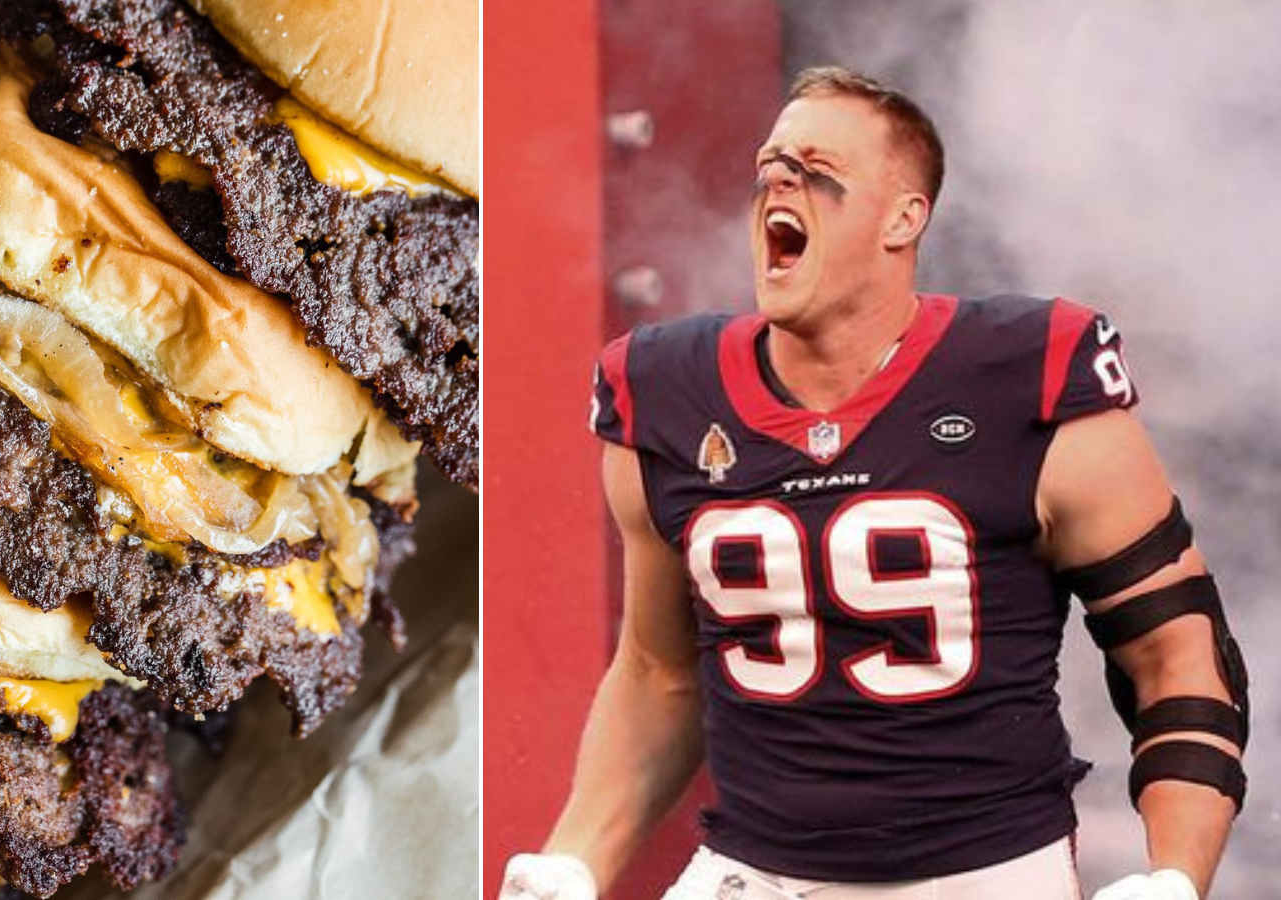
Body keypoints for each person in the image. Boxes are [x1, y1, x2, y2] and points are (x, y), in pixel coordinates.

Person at [500, 67, 1247, 900]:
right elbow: (657, 670)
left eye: (816, 168)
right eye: (771, 165)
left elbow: (1177, 650)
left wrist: (1175, 877)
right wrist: (574, 861)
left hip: (982, 876)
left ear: (904, 218)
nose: (780, 179)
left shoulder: (1027, 374)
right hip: (757, 872)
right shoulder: (667, 390)